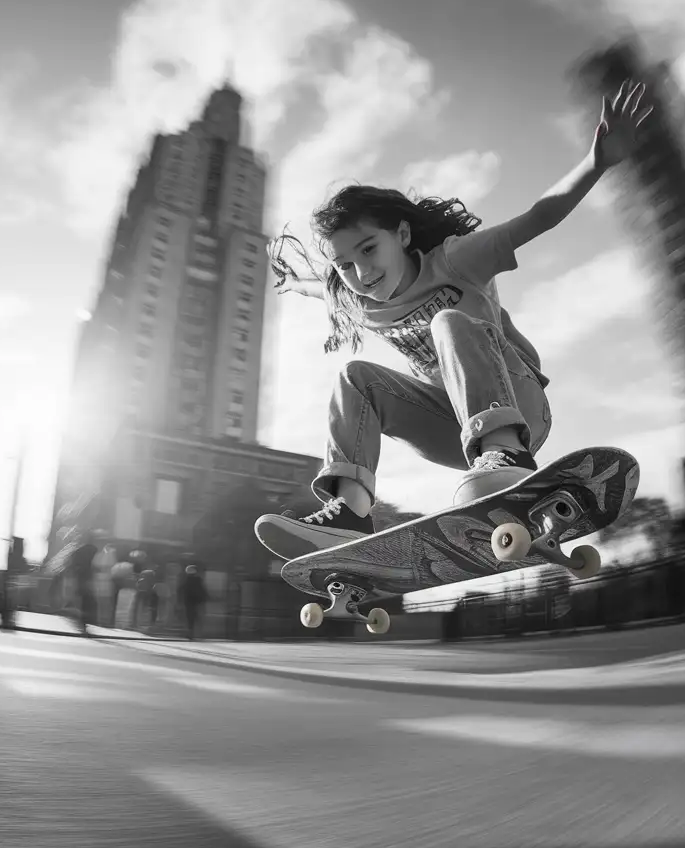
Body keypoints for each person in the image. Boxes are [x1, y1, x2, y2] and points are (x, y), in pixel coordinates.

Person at [255, 80, 652, 560]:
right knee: (353, 377)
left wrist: (597, 163)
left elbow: (537, 217)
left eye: (369, 250)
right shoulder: (356, 296)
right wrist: (291, 282)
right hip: (454, 433)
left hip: (519, 405)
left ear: (401, 234)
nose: (362, 273)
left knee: (448, 321)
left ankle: (508, 453)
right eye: (346, 265)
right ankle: (350, 514)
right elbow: (321, 287)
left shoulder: (456, 259)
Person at [178, 565, 208, 640]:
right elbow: (202, 590)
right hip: (197, 601)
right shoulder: (198, 580)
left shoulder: (185, 580)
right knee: (198, 617)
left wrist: (180, 600)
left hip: (188, 601)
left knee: (189, 618)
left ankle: (190, 633)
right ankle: (199, 633)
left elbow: (180, 589)